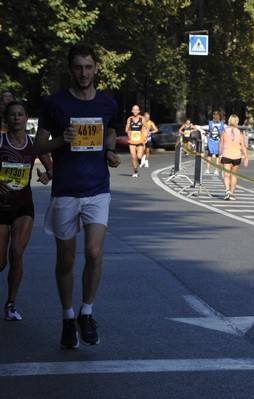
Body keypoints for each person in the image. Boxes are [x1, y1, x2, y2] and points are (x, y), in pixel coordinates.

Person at [33, 42, 121, 349]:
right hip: (66, 191)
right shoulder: (55, 104)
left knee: (95, 253)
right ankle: (68, 318)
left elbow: (110, 129)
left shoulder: (108, 103)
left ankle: (87, 312)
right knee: (66, 259)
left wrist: (110, 150)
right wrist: (61, 139)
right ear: (70, 70)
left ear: (96, 68)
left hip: (98, 189)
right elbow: (38, 146)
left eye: (88, 67)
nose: (83, 73)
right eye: (78, 67)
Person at [0, 101, 52, 321]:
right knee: (1, 263)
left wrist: (47, 175)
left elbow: (51, 168)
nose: (17, 118)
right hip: (0, 208)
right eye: (12, 115)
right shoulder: (0, 141)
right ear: (7, 118)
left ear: (26, 117)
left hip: (23, 207)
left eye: (20, 115)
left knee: (17, 253)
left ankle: (11, 304)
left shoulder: (33, 145)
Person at [219, 114, 249, 200]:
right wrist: (246, 158)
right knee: (234, 174)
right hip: (237, 155)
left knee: (226, 174)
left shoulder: (225, 131)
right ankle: (232, 193)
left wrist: (220, 154)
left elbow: (221, 143)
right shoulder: (239, 132)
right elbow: (243, 146)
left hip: (227, 154)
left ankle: (227, 190)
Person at [125, 105, 147, 177]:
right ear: (132, 111)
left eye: (136, 110)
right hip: (131, 141)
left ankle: (140, 160)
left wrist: (145, 137)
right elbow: (126, 128)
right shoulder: (129, 119)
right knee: (133, 156)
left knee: (139, 156)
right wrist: (128, 131)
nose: (135, 111)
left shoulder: (142, 119)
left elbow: (146, 128)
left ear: (139, 111)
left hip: (140, 141)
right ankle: (135, 172)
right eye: (134, 110)